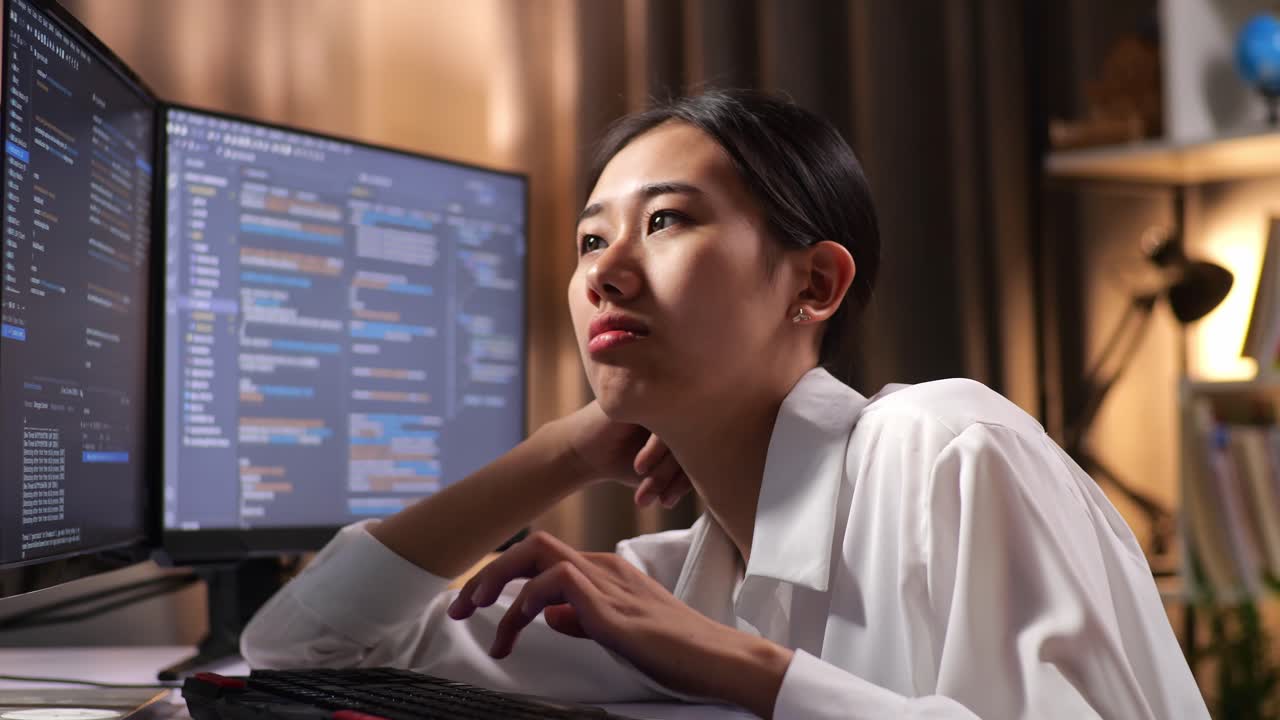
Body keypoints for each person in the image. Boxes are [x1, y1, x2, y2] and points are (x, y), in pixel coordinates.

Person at [241, 89, 1209, 719]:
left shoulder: (947, 444)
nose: (604, 273)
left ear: (815, 284)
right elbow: (301, 651)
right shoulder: (676, 582)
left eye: (664, 221)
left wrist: (734, 664)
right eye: (587, 241)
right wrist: (564, 449)